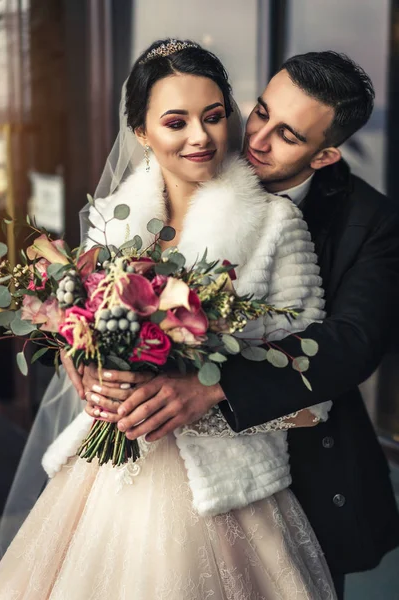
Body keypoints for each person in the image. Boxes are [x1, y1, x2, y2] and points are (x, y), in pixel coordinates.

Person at [0, 39, 337, 599]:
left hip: (226, 490)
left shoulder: (276, 225)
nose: (201, 137)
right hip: (105, 473)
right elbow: (82, 323)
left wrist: (211, 395)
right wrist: (78, 357)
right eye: (176, 122)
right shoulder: (111, 222)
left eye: (213, 116)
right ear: (141, 133)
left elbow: (312, 390)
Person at [80, 51, 399, 600]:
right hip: (145, 461)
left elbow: (352, 343)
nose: (257, 140)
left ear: (324, 156)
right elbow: (90, 301)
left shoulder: (368, 223)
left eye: (288, 135)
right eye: (259, 113)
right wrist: (84, 354)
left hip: (301, 454)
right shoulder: (151, 194)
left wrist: (211, 386)